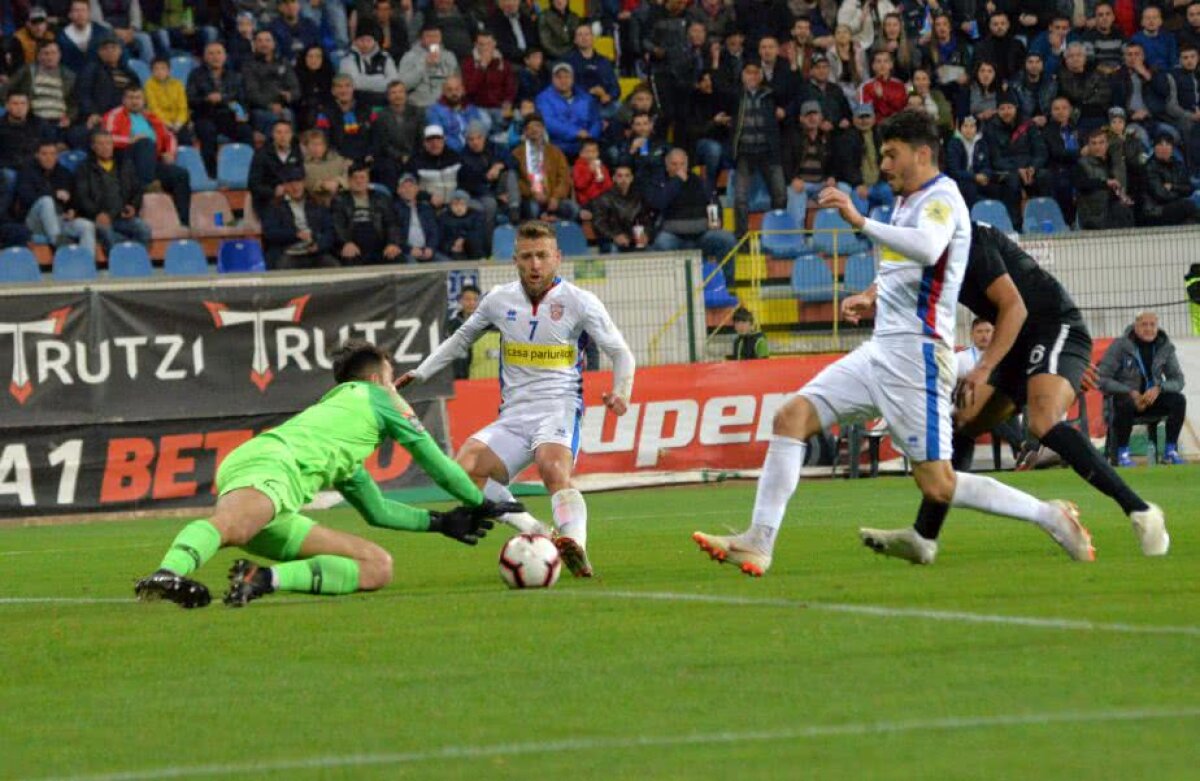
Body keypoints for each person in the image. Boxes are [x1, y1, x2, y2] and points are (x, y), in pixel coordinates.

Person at [694, 110, 1094, 577]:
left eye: (891, 154)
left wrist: (858, 219)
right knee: (791, 417)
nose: (882, 164)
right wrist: (871, 298)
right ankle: (758, 542)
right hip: (882, 348)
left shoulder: (942, 198)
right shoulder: (907, 202)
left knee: (938, 483)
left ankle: (1050, 515)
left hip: (917, 356)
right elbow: (908, 269)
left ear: (921, 154)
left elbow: (926, 248)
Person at [862, 223, 1170, 562]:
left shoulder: (971, 237)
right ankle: (924, 536)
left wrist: (985, 368)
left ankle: (1142, 512)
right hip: (1018, 338)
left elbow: (1015, 305)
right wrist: (868, 296)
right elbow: (896, 271)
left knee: (1042, 421)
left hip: (1053, 326)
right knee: (964, 420)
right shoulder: (926, 245)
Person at [135, 340, 512, 608]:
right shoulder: (379, 398)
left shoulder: (343, 437)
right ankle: (169, 572)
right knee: (234, 526)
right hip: (273, 464)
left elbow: (378, 511)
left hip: (272, 483)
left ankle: (262, 579)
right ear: (379, 379)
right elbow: (439, 465)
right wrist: (481, 500)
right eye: (392, 376)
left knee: (376, 567)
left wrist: (440, 523)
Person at [399, 220, 636, 578]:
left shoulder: (580, 302)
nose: (535, 264)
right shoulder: (499, 300)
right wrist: (421, 372)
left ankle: (575, 544)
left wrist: (622, 392)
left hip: (558, 407)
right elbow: (461, 339)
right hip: (513, 415)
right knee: (463, 472)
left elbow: (621, 352)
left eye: (542, 255)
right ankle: (539, 531)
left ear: (557, 257)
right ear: (515, 260)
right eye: (527, 257)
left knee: (552, 468)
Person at [1099, 311, 1188, 468]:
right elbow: (1102, 378)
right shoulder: (1120, 345)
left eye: (1152, 325)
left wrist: (1159, 388)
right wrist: (1130, 392)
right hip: (1126, 402)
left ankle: (1170, 452)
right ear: (1135, 326)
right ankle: (1123, 454)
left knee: (1178, 400)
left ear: (1157, 326)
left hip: (1152, 400)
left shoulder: (1165, 346)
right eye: (1144, 324)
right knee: (1124, 401)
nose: (1148, 329)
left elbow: (1178, 380)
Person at [101, 85, 192, 227]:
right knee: (146, 143)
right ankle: (146, 187)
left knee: (180, 174)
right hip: (125, 160)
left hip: (150, 162)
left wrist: (169, 152)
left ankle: (183, 223)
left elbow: (170, 136)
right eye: (130, 98)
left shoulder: (150, 117)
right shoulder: (114, 115)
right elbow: (106, 138)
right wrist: (130, 140)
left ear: (143, 100)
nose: (134, 101)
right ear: (123, 100)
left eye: (138, 98)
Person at [950, 317, 1027, 469]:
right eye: (979, 331)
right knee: (989, 411)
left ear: (995, 333)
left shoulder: (1004, 356)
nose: (984, 335)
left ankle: (1019, 452)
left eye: (987, 331)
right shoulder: (960, 359)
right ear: (972, 334)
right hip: (969, 408)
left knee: (1005, 407)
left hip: (998, 405)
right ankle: (1020, 446)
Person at [730, 61, 787, 236]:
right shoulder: (734, 96)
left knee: (781, 195)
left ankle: (776, 234)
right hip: (744, 153)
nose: (752, 77)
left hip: (768, 152)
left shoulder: (771, 95)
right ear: (742, 76)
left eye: (756, 73)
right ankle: (741, 239)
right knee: (740, 199)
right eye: (749, 73)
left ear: (761, 76)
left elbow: (793, 91)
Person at [73, 129, 151, 248]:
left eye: (108, 143)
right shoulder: (84, 169)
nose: (106, 147)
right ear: (93, 147)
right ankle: (121, 260)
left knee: (143, 229)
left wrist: (133, 206)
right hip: (98, 218)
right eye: (101, 144)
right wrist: (97, 214)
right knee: (109, 235)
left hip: (121, 216)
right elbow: (81, 197)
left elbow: (137, 189)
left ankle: (136, 260)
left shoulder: (124, 164)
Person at [16, 139, 97, 254]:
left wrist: (72, 210)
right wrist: (54, 194)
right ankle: (58, 243)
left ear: (57, 156)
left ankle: (86, 262)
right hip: (34, 222)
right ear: (37, 155)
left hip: (58, 220)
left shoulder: (64, 173)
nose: (49, 158)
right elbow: (26, 198)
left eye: (52, 154)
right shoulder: (27, 172)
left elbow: (75, 198)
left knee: (86, 226)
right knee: (46, 201)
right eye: (44, 154)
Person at [187, 41, 254, 176]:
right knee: (207, 133)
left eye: (219, 53)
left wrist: (243, 113)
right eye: (211, 53)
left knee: (245, 131)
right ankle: (211, 174)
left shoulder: (234, 76)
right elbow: (190, 100)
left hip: (227, 115)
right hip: (204, 114)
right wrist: (207, 99)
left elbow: (242, 99)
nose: (215, 57)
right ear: (205, 57)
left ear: (225, 56)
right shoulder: (196, 75)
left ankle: (248, 171)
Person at [261, 164, 338, 269]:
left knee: (333, 266)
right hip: (288, 252)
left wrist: (320, 245)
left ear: (304, 183)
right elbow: (270, 233)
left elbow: (329, 230)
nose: (295, 187)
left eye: (298, 182)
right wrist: (295, 235)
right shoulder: (275, 206)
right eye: (290, 184)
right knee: (283, 267)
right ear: (285, 186)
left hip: (315, 252)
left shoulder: (317, 203)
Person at [331, 159, 403, 264]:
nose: (359, 181)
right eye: (355, 178)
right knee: (349, 258)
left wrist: (392, 243)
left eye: (362, 177)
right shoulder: (339, 200)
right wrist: (346, 243)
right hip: (353, 245)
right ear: (349, 181)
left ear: (368, 180)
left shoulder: (381, 198)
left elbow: (392, 223)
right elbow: (337, 225)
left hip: (380, 245)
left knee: (398, 258)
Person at [512, 112, 577, 221]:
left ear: (543, 129)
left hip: (553, 197)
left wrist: (556, 197)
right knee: (533, 209)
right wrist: (533, 193)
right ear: (525, 132)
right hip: (530, 198)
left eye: (537, 126)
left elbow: (564, 178)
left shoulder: (555, 152)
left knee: (573, 209)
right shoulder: (517, 154)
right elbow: (516, 181)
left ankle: (558, 229)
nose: (534, 130)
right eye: (529, 128)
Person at [1073, 127, 1135, 230]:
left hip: (1116, 209)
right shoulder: (1081, 165)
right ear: (1088, 146)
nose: (1098, 147)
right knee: (1120, 211)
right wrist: (1105, 183)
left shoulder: (1116, 164)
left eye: (1101, 143)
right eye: (1094, 143)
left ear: (1107, 144)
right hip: (1094, 214)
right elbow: (1082, 184)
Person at [534, 62, 601, 158]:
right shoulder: (543, 98)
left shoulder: (586, 98)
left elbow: (596, 120)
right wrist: (576, 133)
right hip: (558, 146)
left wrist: (591, 137)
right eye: (559, 77)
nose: (563, 80)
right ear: (552, 79)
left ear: (573, 79)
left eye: (566, 77)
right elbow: (548, 122)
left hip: (585, 146)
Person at [243, 29, 300, 136]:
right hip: (260, 109)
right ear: (254, 44)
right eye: (260, 41)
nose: (264, 44)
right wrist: (269, 105)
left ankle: (292, 149)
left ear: (273, 44)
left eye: (267, 40)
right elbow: (251, 93)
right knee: (274, 119)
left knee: (288, 115)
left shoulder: (284, 62)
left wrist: (290, 95)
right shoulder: (249, 65)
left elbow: (295, 88)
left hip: (283, 107)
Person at [397, 23, 459, 111]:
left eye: (436, 36)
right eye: (429, 36)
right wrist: (424, 65)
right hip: (419, 106)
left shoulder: (449, 56)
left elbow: (457, 83)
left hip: (446, 106)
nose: (433, 40)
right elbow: (404, 85)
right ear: (421, 39)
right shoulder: (409, 57)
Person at [339, 22, 400, 109]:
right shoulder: (348, 58)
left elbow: (394, 82)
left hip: (385, 104)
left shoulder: (385, 57)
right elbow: (353, 83)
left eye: (369, 40)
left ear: (374, 41)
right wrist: (380, 78)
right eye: (362, 40)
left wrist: (364, 80)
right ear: (355, 41)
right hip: (358, 104)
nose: (365, 44)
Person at [1141, 133, 1199, 226]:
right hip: (1155, 212)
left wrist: (1173, 187)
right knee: (1187, 205)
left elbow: (1190, 189)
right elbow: (1161, 195)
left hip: (1174, 208)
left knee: (1190, 220)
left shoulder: (1178, 165)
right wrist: (1180, 193)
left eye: (1167, 144)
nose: (1164, 148)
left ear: (1172, 149)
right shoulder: (1149, 167)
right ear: (1154, 148)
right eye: (1160, 145)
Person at [591, 163, 647, 253]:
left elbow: (646, 219)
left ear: (631, 178)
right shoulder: (604, 199)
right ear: (614, 178)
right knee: (614, 249)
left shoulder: (639, 198)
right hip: (610, 241)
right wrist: (615, 236)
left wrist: (646, 234)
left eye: (627, 176)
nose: (623, 179)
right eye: (620, 176)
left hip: (634, 240)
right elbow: (598, 223)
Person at [394, 171, 441, 261]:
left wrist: (431, 248)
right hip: (406, 252)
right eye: (404, 187)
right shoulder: (394, 209)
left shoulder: (426, 208)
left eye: (411, 186)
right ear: (398, 190)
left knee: (447, 265)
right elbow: (395, 234)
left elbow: (434, 231)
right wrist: (409, 249)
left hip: (427, 250)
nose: (408, 190)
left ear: (417, 189)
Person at [301, 128, 350, 207]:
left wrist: (338, 182)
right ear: (307, 147)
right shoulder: (303, 165)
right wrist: (322, 185)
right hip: (316, 204)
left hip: (342, 202)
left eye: (320, 144)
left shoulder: (338, 160)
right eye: (313, 144)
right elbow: (306, 184)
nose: (316, 148)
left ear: (325, 146)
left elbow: (349, 177)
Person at [448, 283, 483, 380]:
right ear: (460, 301)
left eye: (475, 299)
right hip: (456, 378)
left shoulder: (487, 325)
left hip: (479, 378)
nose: (471, 303)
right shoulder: (450, 326)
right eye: (467, 299)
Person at [439, 189, 485, 259]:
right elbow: (441, 238)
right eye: (455, 204)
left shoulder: (476, 216)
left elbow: (478, 233)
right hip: (452, 250)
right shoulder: (444, 218)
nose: (459, 207)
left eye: (462, 204)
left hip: (471, 249)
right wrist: (451, 246)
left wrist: (463, 239)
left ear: (467, 205)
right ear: (450, 206)